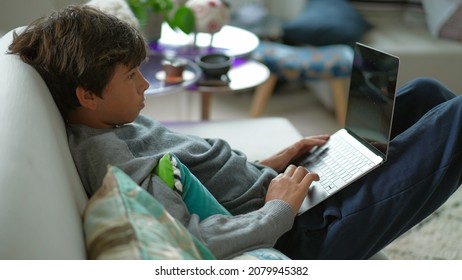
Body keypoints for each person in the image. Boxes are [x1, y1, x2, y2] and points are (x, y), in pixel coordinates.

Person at [8, 5, 462, 260]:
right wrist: (279, 209)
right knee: (456, 118)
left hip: (286, 193)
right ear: (88, 94)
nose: (145, 83)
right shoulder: (119, 163)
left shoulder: (117, 120)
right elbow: (196, 239)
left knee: (425, 94)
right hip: (306, 231)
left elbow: (195, 182)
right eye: (131, 77)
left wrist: (275, 162)